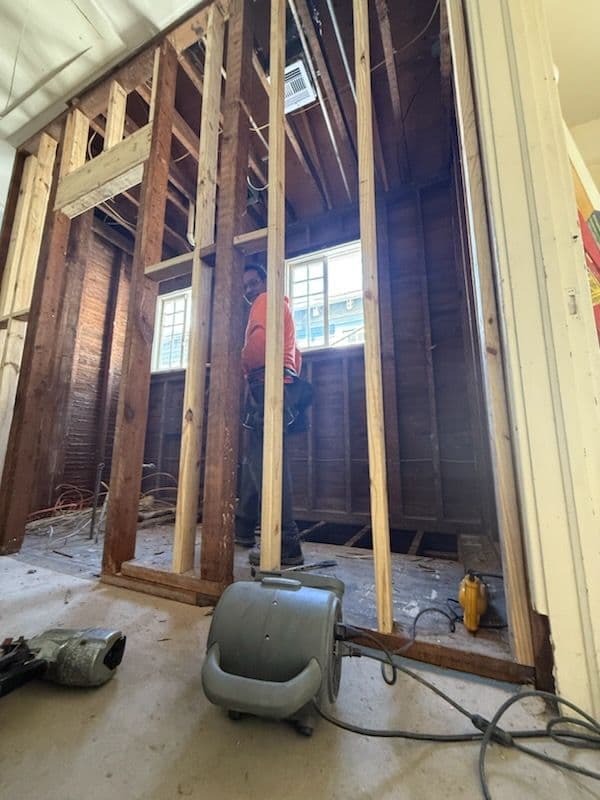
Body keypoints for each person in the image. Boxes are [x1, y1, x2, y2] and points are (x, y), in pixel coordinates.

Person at [234, 264, 305, 566]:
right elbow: (297, 356)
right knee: (256, 458)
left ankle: (286, 543)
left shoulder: (266, 301)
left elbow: (257, 345)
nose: (249, 290)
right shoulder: (283, 309)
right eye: (245, 287)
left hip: (266, 384)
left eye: (253, 283)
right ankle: (243, 527)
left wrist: (241, 365)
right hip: (281, 385)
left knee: (267, 464)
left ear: (265, 281)